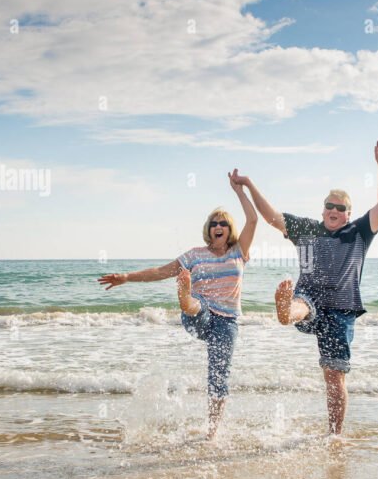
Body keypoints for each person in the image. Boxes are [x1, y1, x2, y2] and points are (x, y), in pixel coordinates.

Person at [245, 139, 378, 435]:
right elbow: (271, 217)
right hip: (309, 297)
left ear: (348, 214)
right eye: (330, 205)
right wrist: (248, 184)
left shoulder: (359, 232)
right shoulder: (307, 229)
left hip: (341, 309)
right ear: (323, 209)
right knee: (302, 304)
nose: (334, 210)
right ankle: (287, 310)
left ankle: (334, 435)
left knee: (334, 375)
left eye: (341, 208)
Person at [97, 169, 258, 439]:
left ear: (230, 229)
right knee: (197, 306)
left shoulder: (238, 252)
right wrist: (127, 277)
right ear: (208, 229)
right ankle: (185, 298)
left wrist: (240, 189)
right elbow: (161, 271)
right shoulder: (195, 254)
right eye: (214, 223)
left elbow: (253, 219)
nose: (218, 227)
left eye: (223, 224)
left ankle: (212, 433)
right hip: (200, 314)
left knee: (219, 376)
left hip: (227, 323)